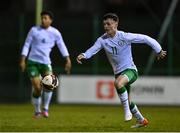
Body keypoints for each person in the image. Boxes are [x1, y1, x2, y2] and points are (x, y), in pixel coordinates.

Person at [76, 13, 166, 128]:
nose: (106, 26)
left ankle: (126, 112)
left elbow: (145, 38)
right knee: (127, 101)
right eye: (104, 24)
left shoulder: (125, 36)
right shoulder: (102, 40)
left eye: (109, 24)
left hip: (131, 70)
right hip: (118, 73)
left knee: (118, 83)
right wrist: (84, 54)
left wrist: (158, 50)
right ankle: (142, 120)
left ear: (116, 24)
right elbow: (92, 50)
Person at [19, 10, 71, 118]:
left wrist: (68, 59)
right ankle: (37, 111)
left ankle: (45, 109)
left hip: (46, 62)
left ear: (51, 20)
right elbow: (27, 44)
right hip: (32, 62)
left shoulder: (55, 32)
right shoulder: (34, 30)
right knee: (37, 88)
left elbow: (61, 45)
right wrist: (23, 59)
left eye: (45, 18)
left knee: (50, 85)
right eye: (42, 18)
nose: (43, 20)